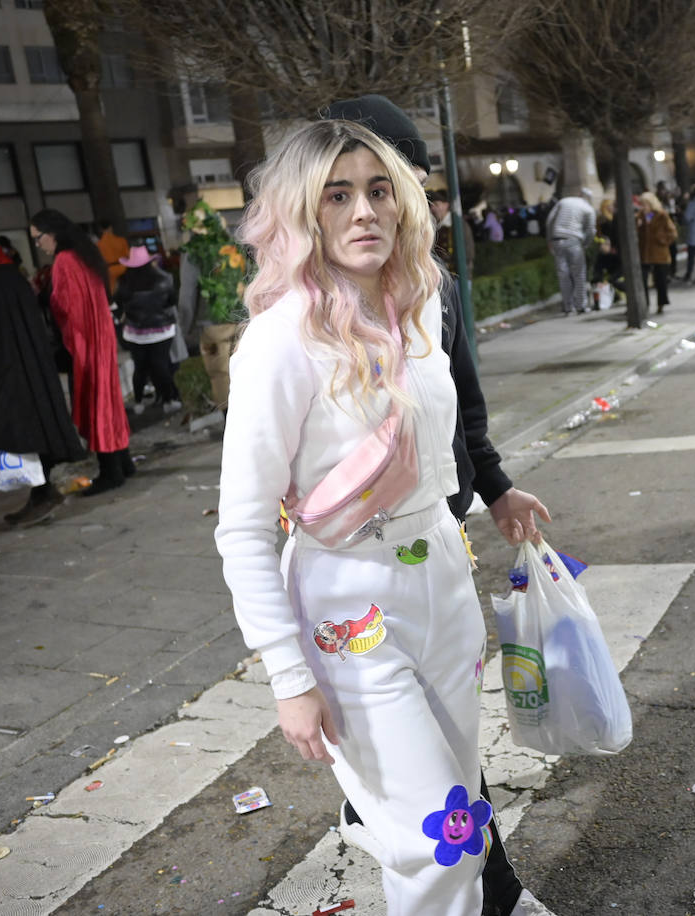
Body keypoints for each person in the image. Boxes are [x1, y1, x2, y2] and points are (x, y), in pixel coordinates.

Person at [217, 118, 552, 916]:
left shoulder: (421, 305)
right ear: (303, 215)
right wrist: (288, 675)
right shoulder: (278, 344)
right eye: (337, 195)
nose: (363, 211)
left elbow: (456, 429)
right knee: (445, 840)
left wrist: (498, 485)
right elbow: (240, 527)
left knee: (458, 813)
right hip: (347, 604)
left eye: (377, 190)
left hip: (442, 574)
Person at [316, 92, 555, 916]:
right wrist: (288, 663)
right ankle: (493, 887)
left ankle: (464, 868)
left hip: (437, 536)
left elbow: (465, 404)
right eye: (360, 188)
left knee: (452, 741)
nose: (387, 206)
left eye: (402, 186)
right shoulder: (301, 318)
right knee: (433, 768)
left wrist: (493, 488)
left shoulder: (436, 288)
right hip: (353, 566)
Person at [0, 226, 86, 525]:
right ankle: (41, 492)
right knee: (22, 432)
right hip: (16, 370)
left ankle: (42, 493)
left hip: (11, 373)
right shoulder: (5, 278)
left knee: (19, 432)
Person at [30, 209, 133, 495]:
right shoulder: (84, 254)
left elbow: (67, 309)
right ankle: (123, 464)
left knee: (97, 406)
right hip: (100, 338)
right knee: (109, 403)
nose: (38, 245)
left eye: (38, 238)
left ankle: (111, 472)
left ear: (51, 234)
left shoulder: (64, 260)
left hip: (85, 342)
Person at [113, 245, 182, 415]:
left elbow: (117, 304)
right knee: (161, 365)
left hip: (135, 333)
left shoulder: (123, 281)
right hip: (162, 330)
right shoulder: (164, 278)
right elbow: (172, 301)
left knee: (140, 367)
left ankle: (138, 402)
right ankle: (169, 400)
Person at [545, 188, 596, 316]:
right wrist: (585, 244)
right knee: (578, 274)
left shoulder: (564, 202)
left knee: (563, 274)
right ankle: (581, 305)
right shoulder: (588, 209)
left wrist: (549, 239)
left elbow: (549, 221)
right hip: (574, 240)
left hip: (557, 239)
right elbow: (591, 230)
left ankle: (568, 306)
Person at [636, 190, 677, 315]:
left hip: (659, 253)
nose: (643, 207)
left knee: (660, 281)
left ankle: (661, 304)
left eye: (645, 204)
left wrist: (661, 239)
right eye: (641, 204)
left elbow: (672, 233)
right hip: (645, 253)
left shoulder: (661, 215)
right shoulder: (640, 217)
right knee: (642, 280)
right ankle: (645, 304)